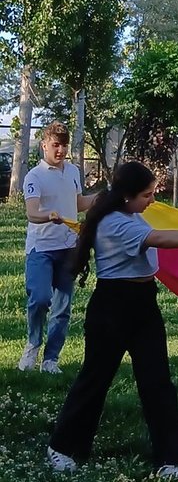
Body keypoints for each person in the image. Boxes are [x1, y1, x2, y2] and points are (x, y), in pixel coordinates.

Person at [46, 161, 178, 478]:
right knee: (96, 379)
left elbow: (156, 229)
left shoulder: (131, 213)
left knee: (157, 381)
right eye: (147, 195)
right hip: (112, 307)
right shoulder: (115, 223)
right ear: (127, 196)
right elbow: (160, 238)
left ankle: (173, 461)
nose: (152, 200)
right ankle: (63, 448)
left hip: (143, 304)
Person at [19, 122, 96, 375]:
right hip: (41, 249)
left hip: (68, 248)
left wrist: (103, 197)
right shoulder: (34, 176)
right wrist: (48, 216)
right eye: (55, 145)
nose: (60, 150)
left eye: (64, 145)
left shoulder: (73, 171)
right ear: (44, 145)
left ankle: (51, 359)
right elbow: (32, 212)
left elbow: (78, 203)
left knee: (62, 308)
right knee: (40, 298)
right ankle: (33, 344)